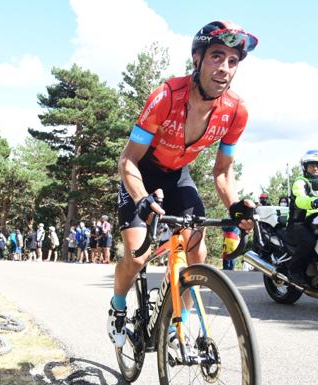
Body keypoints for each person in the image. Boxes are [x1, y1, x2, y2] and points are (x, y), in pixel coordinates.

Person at [107, 20, 257, 347]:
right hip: (142, 173)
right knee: (136, 256)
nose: (225, 68)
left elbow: (222, 172)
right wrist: (141, 198)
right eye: (217, 56)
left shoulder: (236, 111)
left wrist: (234, 204)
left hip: (178, 176)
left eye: (233, 61)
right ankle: (118, 307)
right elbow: (127, 160)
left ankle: (180, 323)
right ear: (198, 59)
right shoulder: (165, 97)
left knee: (197, 252)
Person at [287, 150, 318, 283]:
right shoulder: (301, 182)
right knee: (309, 241)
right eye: (312, 165)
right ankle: (294, 269)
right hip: (299, 224)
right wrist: (314, 202)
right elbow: (300, 199)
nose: (315, 168)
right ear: (305, 167)